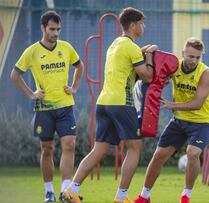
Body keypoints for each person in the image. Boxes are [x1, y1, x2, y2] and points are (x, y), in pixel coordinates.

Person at [62, 7, 157, 203]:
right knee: (134, 148)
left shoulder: (115, 44)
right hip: (122, 103)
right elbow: (147, 76)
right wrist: (149, 56)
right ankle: (121, 198)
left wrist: (142, 51)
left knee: (99, 149)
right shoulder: (130, 47)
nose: (143, 27)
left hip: (103, 102)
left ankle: (71, 190)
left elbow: (128, 60)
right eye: (141, 23)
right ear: (133, 25)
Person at [10, 11, 83, 202]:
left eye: (58, 29)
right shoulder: (32, 51)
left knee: (70, 144)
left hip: (66, 106)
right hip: (44, 109)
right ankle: (49, 191)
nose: (56, 33)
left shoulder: (66, 47)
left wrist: (74, 87)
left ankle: (66, 191)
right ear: (43, 28)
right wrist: (31, 94)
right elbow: (15, 75)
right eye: (52, 29)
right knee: (47, 148)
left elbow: (79, 66)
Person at [134, 37, 209, 203]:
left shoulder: (205, 73)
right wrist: (161, 82)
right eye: (190, 56)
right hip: (179, 121)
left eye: (197, 57)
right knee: (158, 156)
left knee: (193, 153)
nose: (194, 60)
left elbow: (198, 103)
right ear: (183, 53)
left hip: (202, 122)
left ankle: (186, 196)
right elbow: (157, 76)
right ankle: (144, 196)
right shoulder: (174, 65)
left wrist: (172, 105)